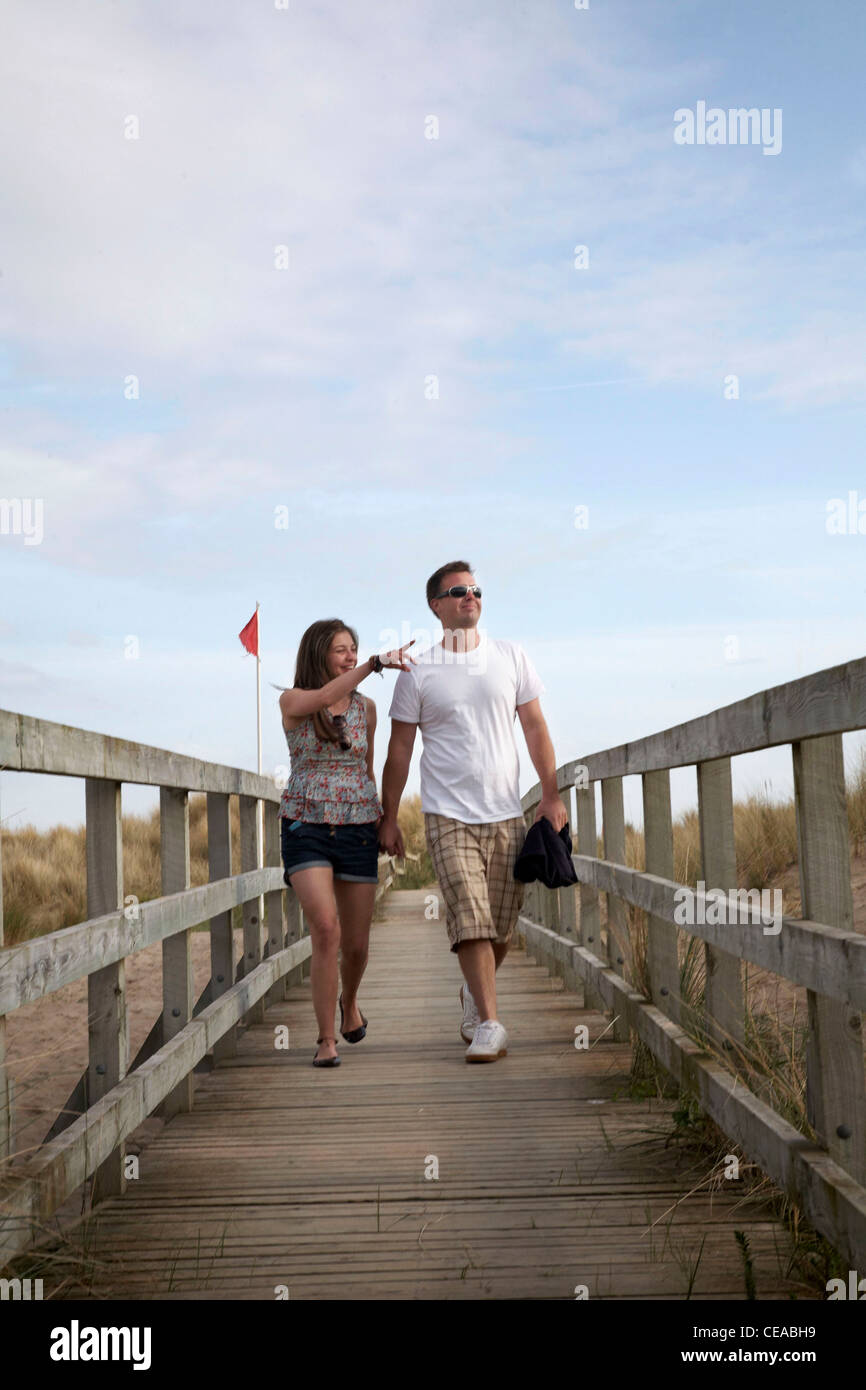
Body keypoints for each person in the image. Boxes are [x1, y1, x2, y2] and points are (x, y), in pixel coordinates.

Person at [379, 563, 568, 1062]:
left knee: (502, 924)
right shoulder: (418, 670)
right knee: (470, 916)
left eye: (475, 590)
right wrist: (390, 815)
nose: (470, 597)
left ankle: (472, 994)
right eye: (457, 591)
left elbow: (535, 729)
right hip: (446, 814)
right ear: (435, 605)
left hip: (505, 812)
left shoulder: (511, 656)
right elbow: (399, 750)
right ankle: (490, 1023)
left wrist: (550, 795)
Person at [278, 619, 414, 1067]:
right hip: (306, 825)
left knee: (356, 944)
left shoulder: (367, 710)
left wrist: (386, 822)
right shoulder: (294, 701)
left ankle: (349, 1001)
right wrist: (376, 663)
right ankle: (324, 1040)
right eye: (340, 650)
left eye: (354, 650)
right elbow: (321, 697)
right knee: (326, 930)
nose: (350, 656)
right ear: (318, 654)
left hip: (357, 824)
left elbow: (367, 770)